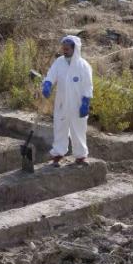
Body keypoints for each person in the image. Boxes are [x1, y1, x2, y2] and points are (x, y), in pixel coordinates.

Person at [41, 35, 93, 166]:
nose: (64, 51)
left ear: (75, 49)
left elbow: (88, 86)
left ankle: (81, 156)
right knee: (60, 128)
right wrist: (47, 84)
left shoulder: (83, 66)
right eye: (63, 48)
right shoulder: (59, 62)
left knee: (78, 130)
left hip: (78, 105)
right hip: (62, 103)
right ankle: (58, 154)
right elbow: (51, 75)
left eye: (67, 48)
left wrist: (85, 103)